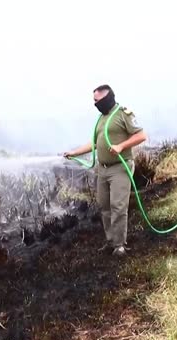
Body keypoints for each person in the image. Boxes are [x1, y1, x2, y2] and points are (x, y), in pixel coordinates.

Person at [63, 84, 147, 256]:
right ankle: (111, 241)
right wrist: (74, 152)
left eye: (97, 100)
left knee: (118, 206)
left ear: (108, 98)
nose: (95, 104)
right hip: (103, 169)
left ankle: (120, 245)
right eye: (94, 101)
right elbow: (94, 143)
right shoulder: (101, 119)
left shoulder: (123, 114)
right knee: (105, 206)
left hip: (120, 168)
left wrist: (121, 146)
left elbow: (141, 135)